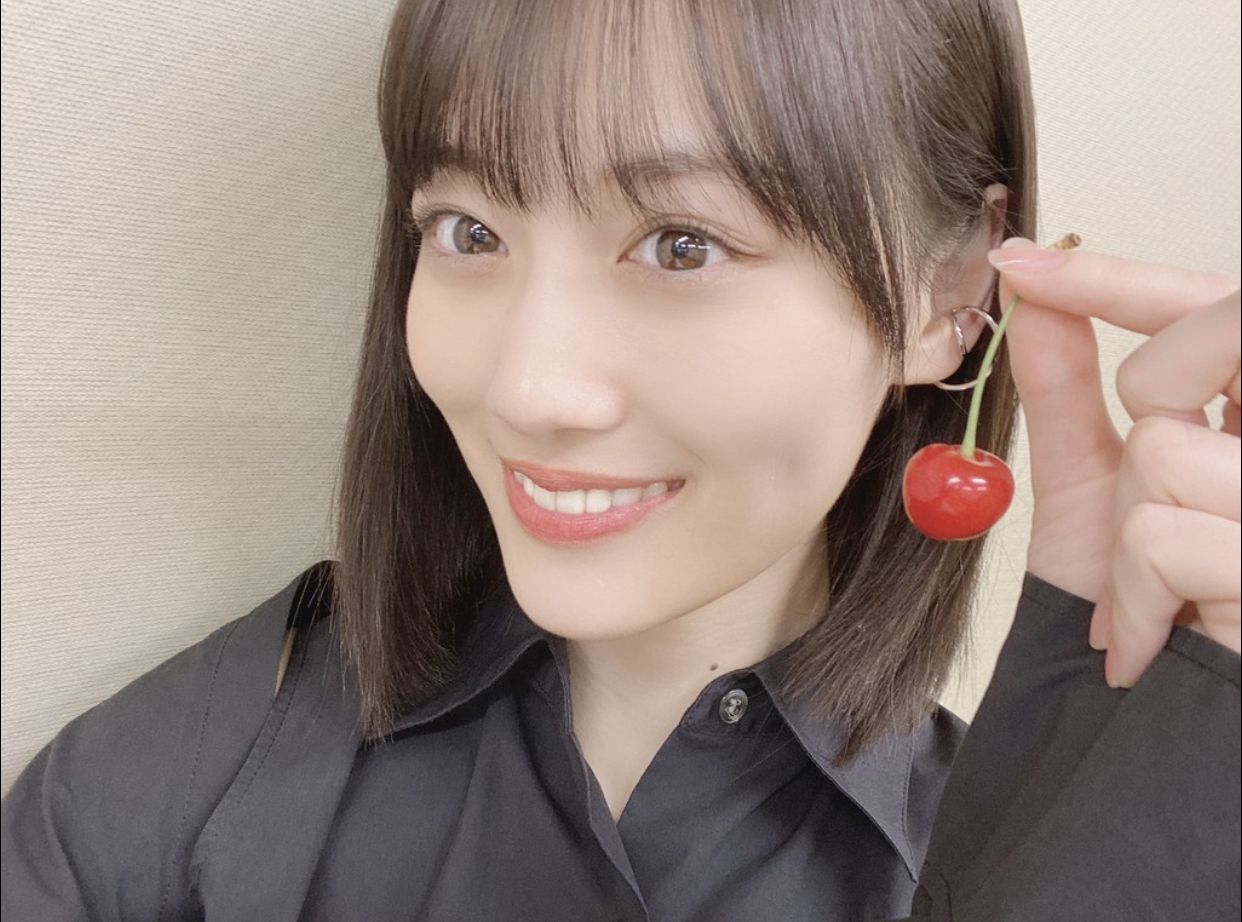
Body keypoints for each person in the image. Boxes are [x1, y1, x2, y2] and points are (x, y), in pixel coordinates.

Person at [2, 0, 1238, 919]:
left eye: (682, 245)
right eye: (468, 229)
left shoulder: (1011, 849)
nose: (526, 388)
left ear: (952, 291)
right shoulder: (178, 787)